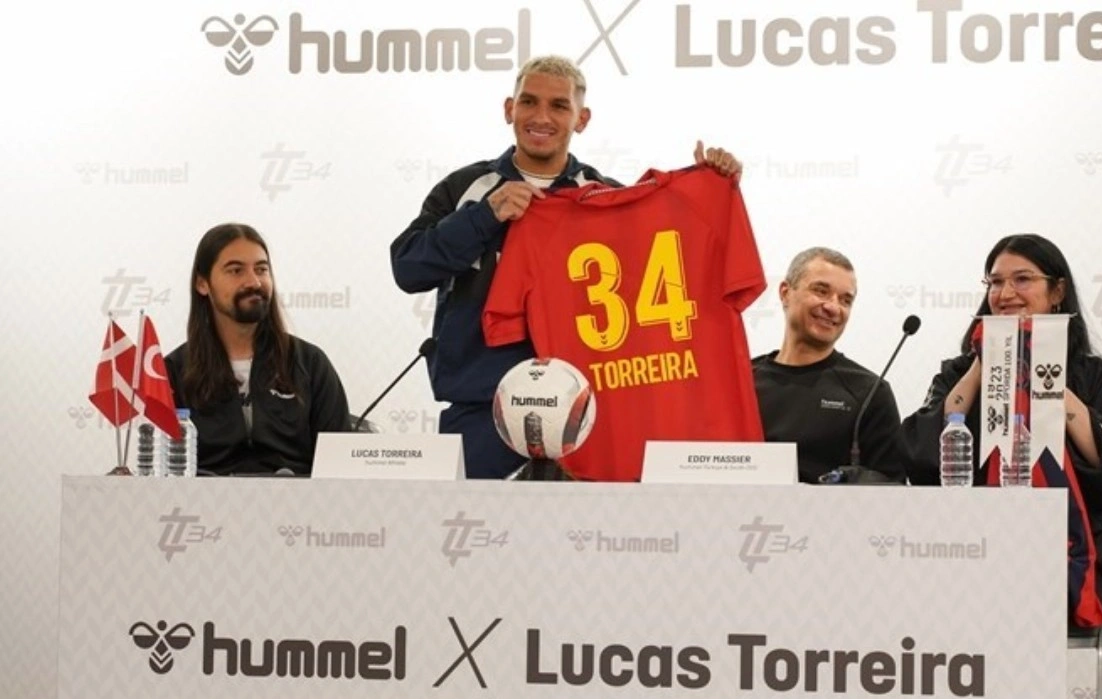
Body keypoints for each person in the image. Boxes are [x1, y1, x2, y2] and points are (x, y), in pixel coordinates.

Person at [390, 54, 743, 479]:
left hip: (588, 413)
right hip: (485, 407)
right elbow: (408, 267)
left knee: (591, 523)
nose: (541, 117)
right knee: (467, 520)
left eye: (559, 106)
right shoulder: (467, 187)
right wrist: (484, 217)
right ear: (509, 109)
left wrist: (711, 190)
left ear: (582, 119)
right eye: (529, 102)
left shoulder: (605, 196)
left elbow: (662, 291)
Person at [900, 233, 1102, 623]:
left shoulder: (1098, 373)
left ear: (1058, 291)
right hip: (967, 558)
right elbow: (918, 453)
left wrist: (1045, 373)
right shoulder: (958, 372)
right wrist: (987, 361)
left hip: (1069, 564)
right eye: (995, 282)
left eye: (1022, 279)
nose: (1005, 294)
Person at [165, 223, 351, 476]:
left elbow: (341, 469)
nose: (253, 282)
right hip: (205, 500)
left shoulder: (310, 363)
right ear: (202, 284)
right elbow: (164, 474)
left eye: (261, 269)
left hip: (297, 499)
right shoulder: (174, 371)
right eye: (236, 270)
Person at [752, 247, 905, 484]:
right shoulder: (740, 381)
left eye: (846, 300)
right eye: (821, 291)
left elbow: (893, 489)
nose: (833, 307)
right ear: (785, 293)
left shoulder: (870, 393)